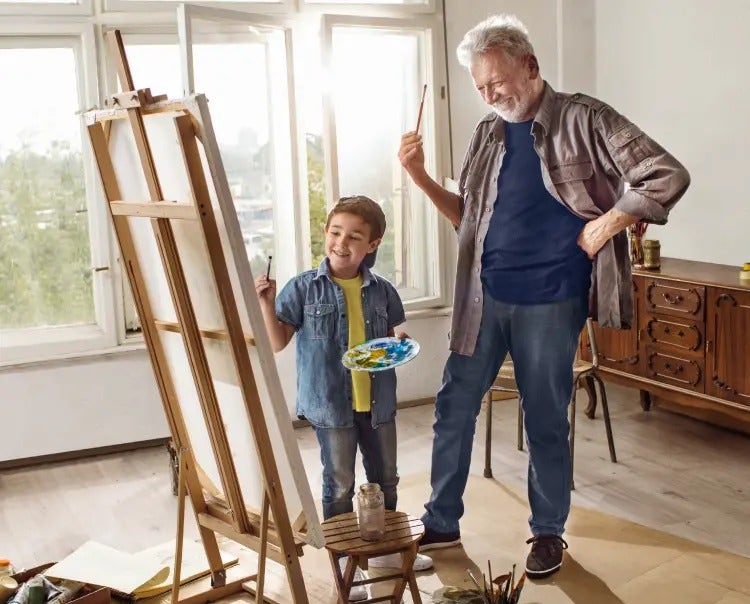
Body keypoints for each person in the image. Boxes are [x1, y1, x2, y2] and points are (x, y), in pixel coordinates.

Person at [398, 14, 690, 578]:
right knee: (453, 411)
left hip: (551, 301)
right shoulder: (486, 133)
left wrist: (605, 225)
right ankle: (440, 520)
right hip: (481, 299)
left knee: (546, 420)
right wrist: (419, 177)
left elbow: (665, 174)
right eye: (480, 88)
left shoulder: (585, 118)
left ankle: (548, 533)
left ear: (529, 66)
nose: (489, 96)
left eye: (496, 82)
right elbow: (468, 221)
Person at [255, 195, 433, 601]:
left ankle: (387, 554)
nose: (342, 242)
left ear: (372, 245)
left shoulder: (382, 290)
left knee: (385, 478)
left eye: (355, 236)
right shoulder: (303, 288)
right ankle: (342, 559)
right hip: (330, 404)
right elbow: (278, 342)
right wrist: (265, 302)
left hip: (378, 402)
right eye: (336, 232)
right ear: (325, 233)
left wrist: (400, 341)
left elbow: (393, 336)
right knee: (339, 483)